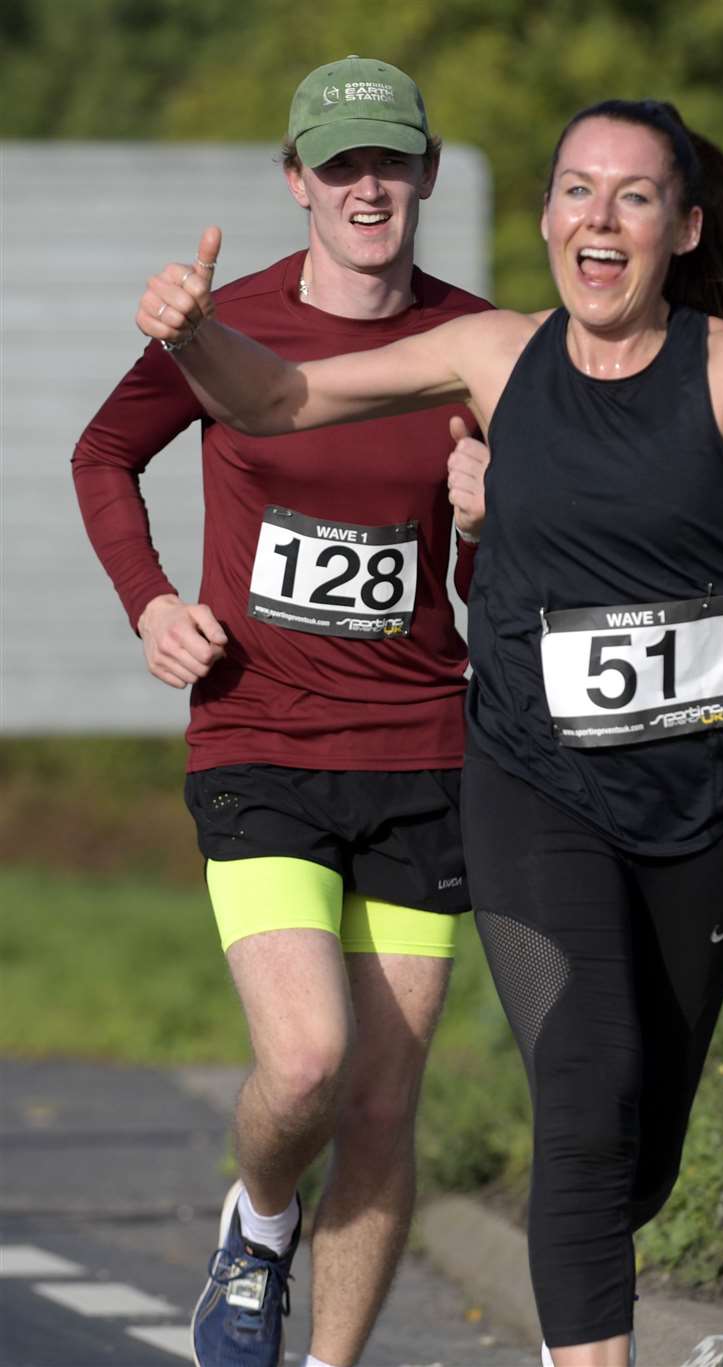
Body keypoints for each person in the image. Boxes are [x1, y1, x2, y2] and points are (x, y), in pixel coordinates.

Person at [134, 98, 723, 1366]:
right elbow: (274, 398)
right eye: (577, 191)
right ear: (546, 217)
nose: (600, 218)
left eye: (634, 196)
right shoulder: (492, 352)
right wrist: (197, 334)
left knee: (634, 1150)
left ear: (681, 226)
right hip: (533, 790)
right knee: (583, 1101)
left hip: (701, 808)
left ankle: (606, 1234)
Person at [74, 55, 493, 1367]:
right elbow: (104, 455)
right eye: (341, 164)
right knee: (308, 1058)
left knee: (379, 1100)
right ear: (297, 178)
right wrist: (149, 601)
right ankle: (257, 1222)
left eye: (391, 163)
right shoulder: (226, 324)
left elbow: (489, 576)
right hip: (259, 734)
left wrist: (489, 524)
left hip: (423, 747)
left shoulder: (477, 344)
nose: (369, 188)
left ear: (425, 173)